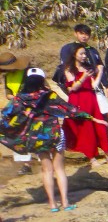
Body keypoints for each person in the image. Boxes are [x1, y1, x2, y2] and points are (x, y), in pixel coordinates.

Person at [0, 71, 93, 211]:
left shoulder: (19, 99)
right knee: (60, 170)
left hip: (37, 138)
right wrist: (89, 117)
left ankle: (52, 204)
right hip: (54, 134)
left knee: (46, 170)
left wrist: (18, 124)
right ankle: (65, 202)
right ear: (41, 82)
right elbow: (70, 110)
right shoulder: (50, 95)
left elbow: (6, 114)